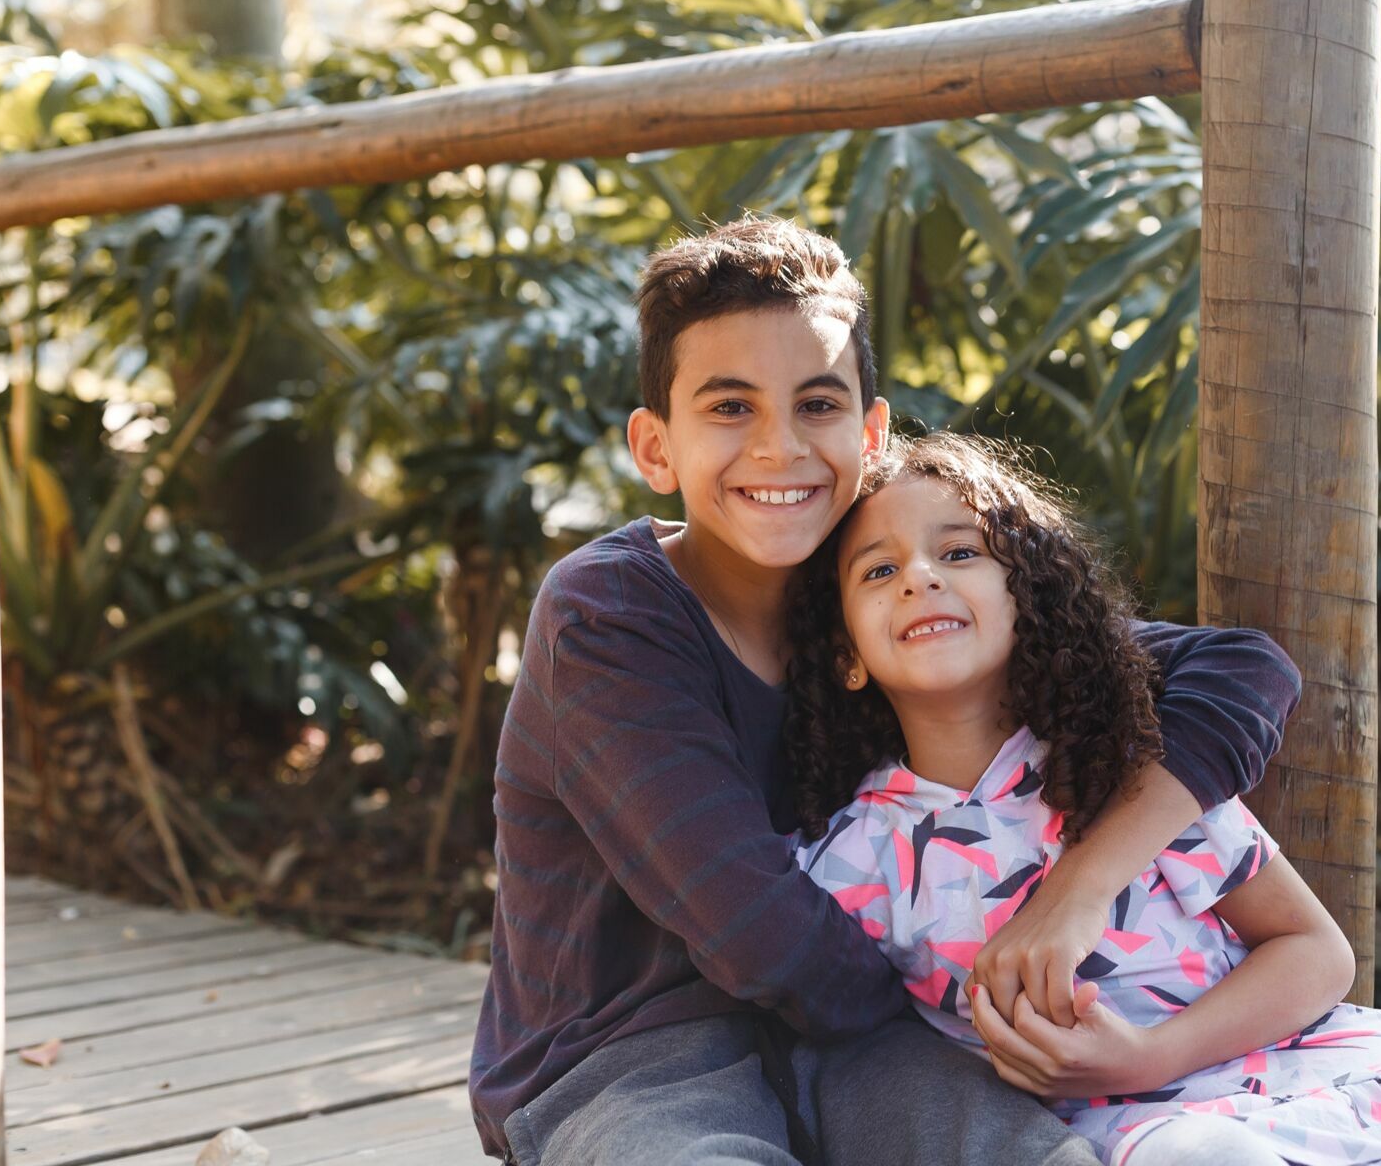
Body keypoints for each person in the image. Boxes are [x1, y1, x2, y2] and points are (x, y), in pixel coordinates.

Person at [468, 217, 1305, 1165]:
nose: (780, 448)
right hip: (636, 1056)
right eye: (730, 408)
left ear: (870, 434)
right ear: (656, 448)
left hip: (868, 1041)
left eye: (817, 404)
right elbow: (757, 935)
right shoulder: (606, 617)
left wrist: (1075, 890)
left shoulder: (882, 594)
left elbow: (1241, 670)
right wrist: (968, 1008)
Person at [788, 432, 1381, 1166]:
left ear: (1029, 598)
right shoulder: (848, 859)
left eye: (960, 552)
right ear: (847, 654)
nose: (921, 576)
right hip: (1145, 1131)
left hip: (1317, 1077)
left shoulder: (1132, 774)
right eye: (878, 572)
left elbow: (1318, 953)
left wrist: (1153, 1054)